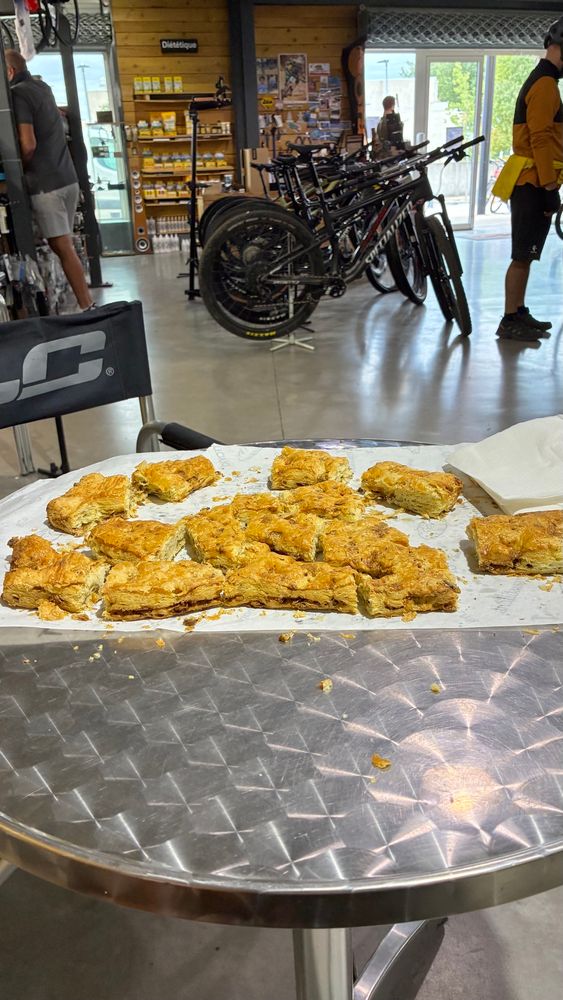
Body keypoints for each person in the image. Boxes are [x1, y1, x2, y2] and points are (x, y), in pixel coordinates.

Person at [5, 49, 95, 311]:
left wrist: (15, 171)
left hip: (46, 186)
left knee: (62, 247)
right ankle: (77, 302)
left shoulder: (18, 94)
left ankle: (87, 306)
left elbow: (28, 144)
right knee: (63, 244)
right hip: (67, 179)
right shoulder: (43, 87)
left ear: (9, 71)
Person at [494, 18, 563, 342]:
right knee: (522, 255)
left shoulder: (543, 80)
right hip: (532, 182)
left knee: (527, 253)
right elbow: (540, 138)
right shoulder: (545, 84)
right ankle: (509, 319)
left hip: (533, 180)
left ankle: (519, 311)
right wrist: (550, 188)